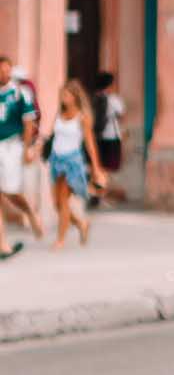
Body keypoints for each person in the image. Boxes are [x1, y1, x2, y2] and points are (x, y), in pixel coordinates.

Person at [46, 79, 105, 249]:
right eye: (62, 94)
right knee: (57, 204)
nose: (63, 97)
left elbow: (90, 144)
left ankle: (60, 240)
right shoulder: (59, 114)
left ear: (74, 97)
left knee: (63, 201)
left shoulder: (82, 117)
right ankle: (81, 224)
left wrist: (96, 168)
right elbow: (53, 136)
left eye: (66, 95)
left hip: (71, 162)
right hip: (56, 160)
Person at [0, 54, 40, 257]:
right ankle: (3, 245)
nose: (4, 73)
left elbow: (28, 122)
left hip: (12, 146)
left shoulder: (19, 93)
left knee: (9, 190)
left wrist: (27, 148)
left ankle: (29, 210)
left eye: (7, 69)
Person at [91, 69, 127, 204]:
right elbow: (122, 114)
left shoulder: (93, 98)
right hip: (111, 136)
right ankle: (100, 194)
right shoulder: (113, 99)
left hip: (96, 136)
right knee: (107, 168)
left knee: (98, 165)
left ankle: (97, 193)